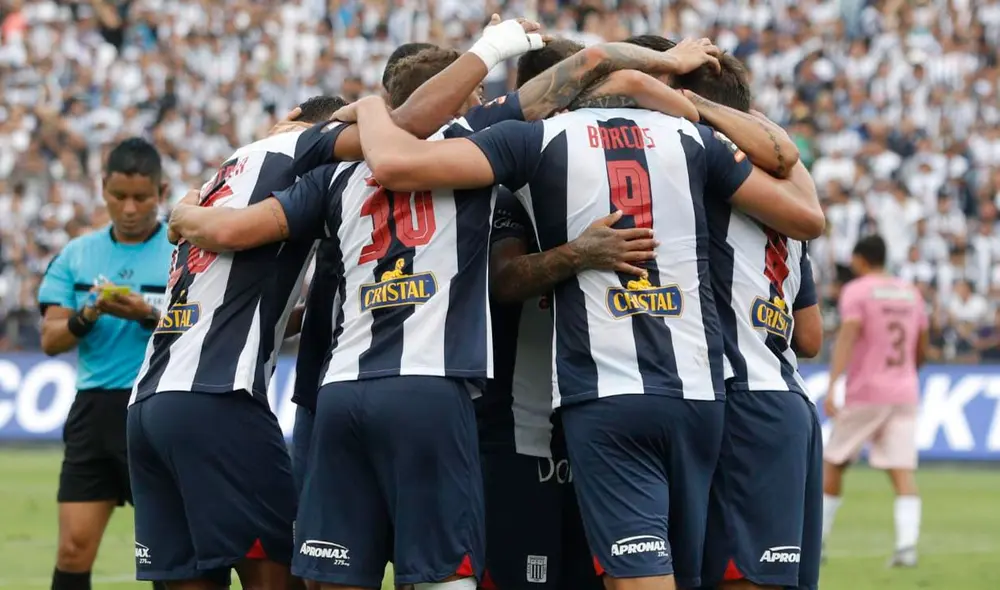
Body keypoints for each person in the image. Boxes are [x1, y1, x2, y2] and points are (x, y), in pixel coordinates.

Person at [166, 36, 725, 590]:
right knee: (442, 571)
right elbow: (594, 64)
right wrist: (666, 65)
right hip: (431, 391)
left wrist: (185, 212)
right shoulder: (475, 137)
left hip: (338, 390)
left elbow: (233, 230)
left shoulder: (332, 174)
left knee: (333, 575)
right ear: (455, 101)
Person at [340, 77, 823, 590]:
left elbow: (399, 168)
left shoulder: (539, 138)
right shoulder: (693, 141)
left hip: (604, 396)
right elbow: (805, 214)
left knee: (640, 575)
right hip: (701, 397)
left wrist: (370, 110)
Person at [126, 95, 355, 590]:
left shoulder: (220, 179)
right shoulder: (303, 152)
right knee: (278, 574)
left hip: (147, 405)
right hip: (216, 398)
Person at [630, 37, 826, 590]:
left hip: (738, 400)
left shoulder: (700, 168)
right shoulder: (785, 193)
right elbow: (810, 336)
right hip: (789, 403)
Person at [478, 38, 659, 590]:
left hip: (599, 420)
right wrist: (577, 254)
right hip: (520, 434)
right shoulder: (507, 188)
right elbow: (504, 280)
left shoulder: (628, 183)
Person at [36, 137, 173, 590]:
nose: (130, 208)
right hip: (94, 413)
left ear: (162, 191)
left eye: (141, 197)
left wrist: (149, 315)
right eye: (119, 197)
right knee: (73, 549)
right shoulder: (76, 255)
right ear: (102, 189)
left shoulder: (183, 251)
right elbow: (51, 340)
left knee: (168, 554)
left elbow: (207, 328)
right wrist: (89, 312)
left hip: (159, 409)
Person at [822, 234, 929, 568]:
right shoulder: (911, 293)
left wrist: (833, 383)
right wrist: (909, 372)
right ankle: (907, 547)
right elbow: (922, 344)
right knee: (902, 472)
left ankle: (818, 541)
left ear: (860, 260)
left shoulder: (858, 291)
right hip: (904, 391)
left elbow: (849, 335)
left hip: (866, 391)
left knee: (833, 462)